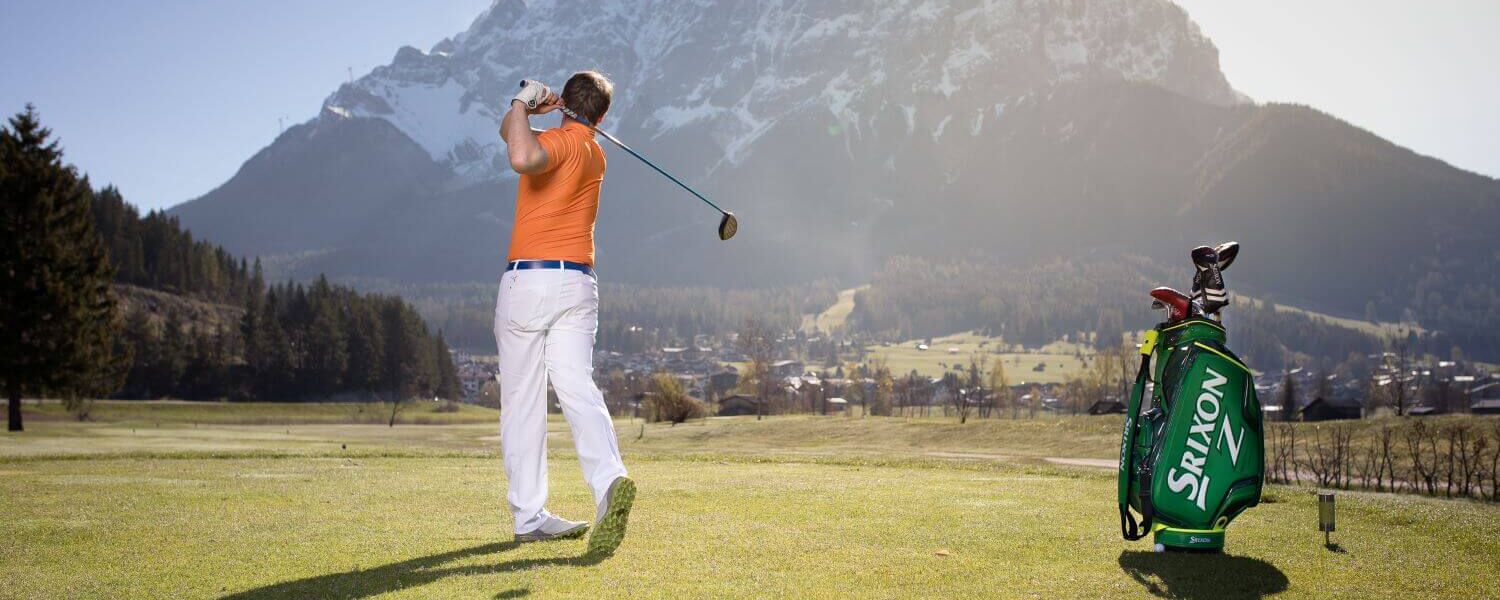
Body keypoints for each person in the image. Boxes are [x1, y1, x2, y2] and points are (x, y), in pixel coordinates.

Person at [496, 71, 634, 555]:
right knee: (576, 384)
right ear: (602, 115)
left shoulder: (559, 144)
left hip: (529, 280)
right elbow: (512, 133)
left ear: (567, 103)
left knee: (523, 400)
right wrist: (525, 111)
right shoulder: (594, 153)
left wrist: (523, 101)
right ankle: (610, 480)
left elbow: (520, 155)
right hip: (578, 284)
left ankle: (529, 515)